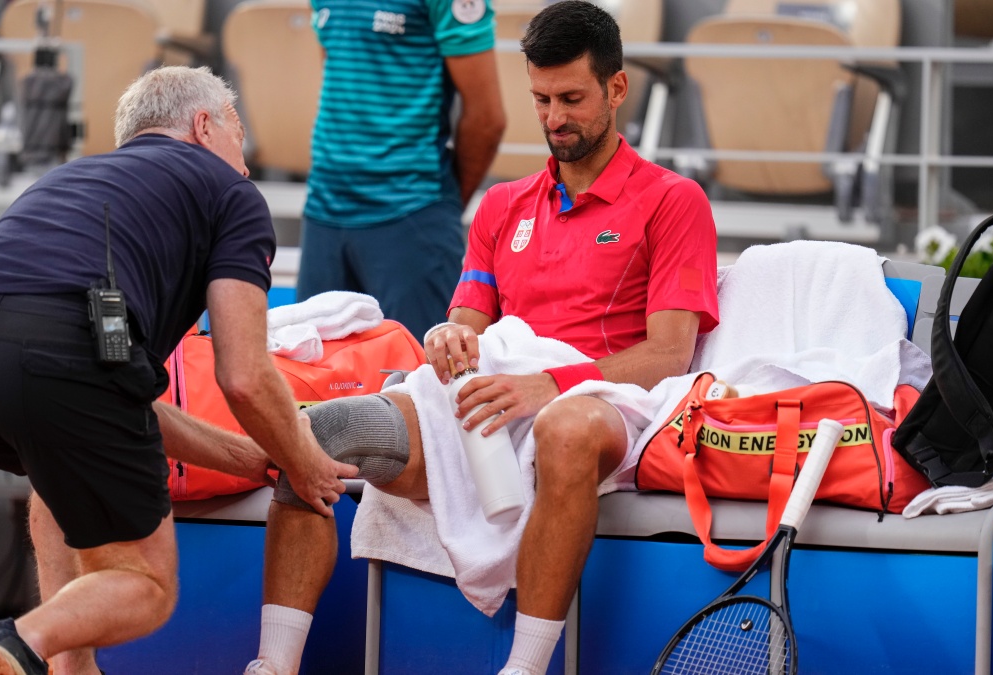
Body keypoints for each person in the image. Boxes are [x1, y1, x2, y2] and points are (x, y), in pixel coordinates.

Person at [249, 3, 720, 674]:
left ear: (617, 89)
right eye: (541, 99)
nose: (555, 117)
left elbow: (670, 356)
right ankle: (273, 663)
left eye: (572, 99)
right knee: (316, 434)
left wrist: (548, 384)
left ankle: (523, 668)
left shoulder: (674, 200)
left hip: (607, 401)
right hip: (492, 402)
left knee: (565, 428)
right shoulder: (501, 205)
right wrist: (447, 337)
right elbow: (465, 321)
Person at [0, 66, 359, 675]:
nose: (246, 166)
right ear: (204, 126)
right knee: (146, 585)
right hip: (55, 354)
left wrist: (244, 454)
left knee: (57, 469)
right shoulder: (230, 193)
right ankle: (22, 643)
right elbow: (245, 375)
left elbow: (107, 397)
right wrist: (305, 464)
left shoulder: (72, 178)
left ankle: (73, 668)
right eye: (240, 141)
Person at [295, 0, 507, 341]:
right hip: (324, 207)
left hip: (411, 211)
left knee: (421, 383)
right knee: (311, 383)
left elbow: (488, 120)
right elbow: (337, 73)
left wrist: (441, 206)